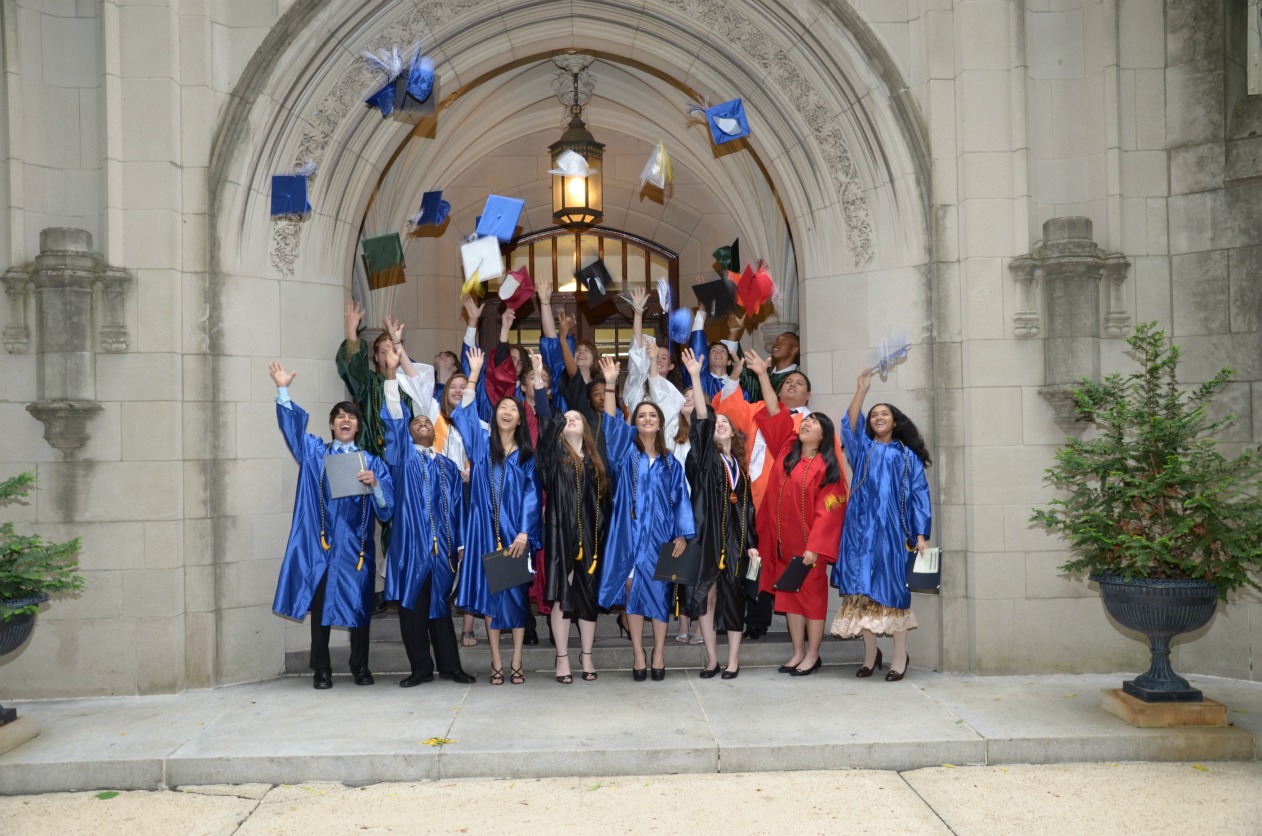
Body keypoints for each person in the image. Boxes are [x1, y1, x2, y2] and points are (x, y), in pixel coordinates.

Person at [268, 361, 393, 689]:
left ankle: (360, 667)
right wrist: (283, 389)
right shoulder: (315, 455)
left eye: (351, 416)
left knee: (360, 612)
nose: (346, 420)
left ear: (358, 426)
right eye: (340, 415)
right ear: (332, 424)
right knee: (321, 611)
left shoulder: (372, 462)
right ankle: (321, 670)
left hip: (357, 551)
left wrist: (376, 484)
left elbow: (387, 509)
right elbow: (293, 431)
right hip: (324, 549)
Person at [379, 346, 477, 687]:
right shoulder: (401, 459)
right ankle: (420, 667)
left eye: (426, 422)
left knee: (440, 611)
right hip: (410, 550)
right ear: (409, 433)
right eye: (417, 422)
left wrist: (461, 544)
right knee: (412, 610)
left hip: (442, 551)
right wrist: (391, 375)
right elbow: (393, 417)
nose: (422, 424)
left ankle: (450, 666)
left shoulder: (448, 467)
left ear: (433, 432)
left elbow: (461, 507)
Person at [747, 351, 847, 676]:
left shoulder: (826, 467)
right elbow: (775, 413)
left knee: (812, 601)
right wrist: (764, 374)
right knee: (789, 599)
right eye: (805, 421)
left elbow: (831, 510)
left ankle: (813, 654)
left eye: (814, 423)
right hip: (783, 545)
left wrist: (815, 547)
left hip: (809, 549)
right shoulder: (787, 453)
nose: (806, 424)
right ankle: (797, 651)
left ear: (825, 435)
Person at [596, 356, 695, 682]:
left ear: (660, 421)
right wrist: (611, 384)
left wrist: (682, 535)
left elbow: (681, 499)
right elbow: (610, 425)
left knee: (661, 595)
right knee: (632, 593)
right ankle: (638, 653)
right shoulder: (625, 454)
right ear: (635, 422)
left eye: (653, 415)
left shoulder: (671, 463)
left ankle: (659, 652)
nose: (648, 419)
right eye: (642, 415)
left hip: (662, 538)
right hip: (628, 535)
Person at [831, 368, 932, 682]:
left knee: (892, 594)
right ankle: (870, 654)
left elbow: (919, 494)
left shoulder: (906, 456)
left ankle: (899, 656)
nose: (877, 417)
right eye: (873, 414)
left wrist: (921, 535)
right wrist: (861, 389)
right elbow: (849, 423)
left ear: (895, 421)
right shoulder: (863, 448)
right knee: (861, 594)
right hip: (860, 532)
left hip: (891, 534)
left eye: (883, 413)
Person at [454, 347, 542, 685]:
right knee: (492, 600)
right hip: (485, 534)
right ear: (494, 416)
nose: (507, 411)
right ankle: (495, 661)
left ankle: (516, 659)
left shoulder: (525, 456)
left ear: (520, 419)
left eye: (512, 409)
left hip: (515, 536)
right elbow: (462, 414)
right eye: (502, 407)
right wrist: (474, 373)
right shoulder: (479, 445)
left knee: (517, 600)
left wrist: (524, 533)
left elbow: (532, 496)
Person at [530, 352, 609, 684]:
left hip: (591, 536)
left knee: (587, 597)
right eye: (569, 417)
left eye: (578, 416)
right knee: (562, 594)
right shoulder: (554, 454)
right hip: (560, 534)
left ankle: (586, 656)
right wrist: (538, 379)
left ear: (587, 427)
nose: (572, 418)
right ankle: (562, 659)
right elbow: (546, 417)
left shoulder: (596, 460)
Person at [681, 348, 759, 680]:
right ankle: (712, 658)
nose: (720, 425)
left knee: (734, 598)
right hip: (707, 535)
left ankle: (733, 660)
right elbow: (702, 418)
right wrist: (697, 377)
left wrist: (752, 542)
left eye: (726, 422)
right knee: (706, 596)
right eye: (717, 423)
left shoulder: (740, 467)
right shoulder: (703, 460)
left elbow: (748, 508)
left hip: (736, 540)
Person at [722, 314, 801, 403]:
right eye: (777, 340)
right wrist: (734, 332)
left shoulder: (797, 380)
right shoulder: (763, 373)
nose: (777, 343)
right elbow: (740, 369)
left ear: (794, 350)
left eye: (783, 341)